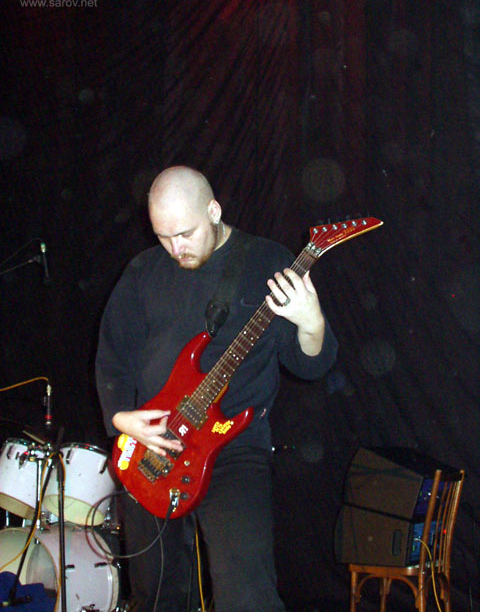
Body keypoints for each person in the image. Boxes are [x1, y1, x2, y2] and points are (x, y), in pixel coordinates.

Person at [96, 166, 338, 612]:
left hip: (233, 449)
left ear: (213, 210)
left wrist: (312, 323)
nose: (176, 249)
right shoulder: (144, 270)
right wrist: (121, 418)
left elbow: (309, 365)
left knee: (247, 594)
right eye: (163, 237)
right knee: (157, 596)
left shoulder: (266, 261)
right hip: (153, 449)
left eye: (185, 234)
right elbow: (113, 354)